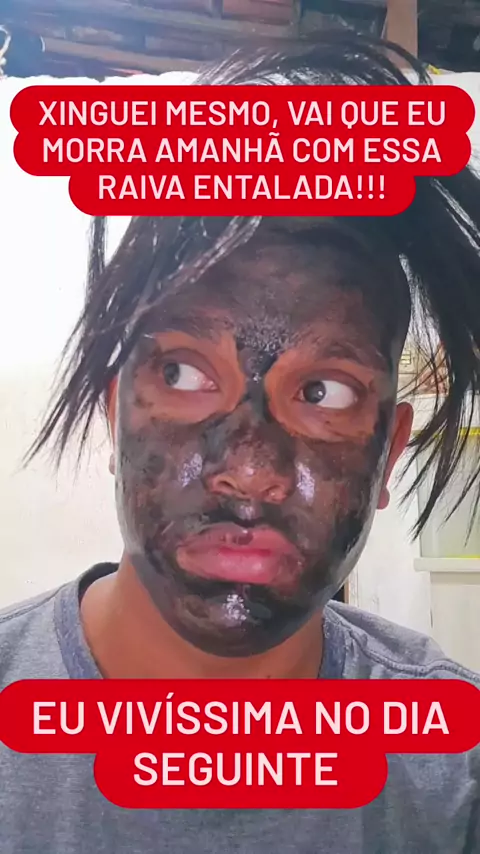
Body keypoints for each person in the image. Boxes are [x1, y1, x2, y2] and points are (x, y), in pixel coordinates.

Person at [1, 31, 479, 854]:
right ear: (116, 412)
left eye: (323, 393)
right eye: (186, 373)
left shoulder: (453, 775)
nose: (251, 472)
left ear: (388, 452)